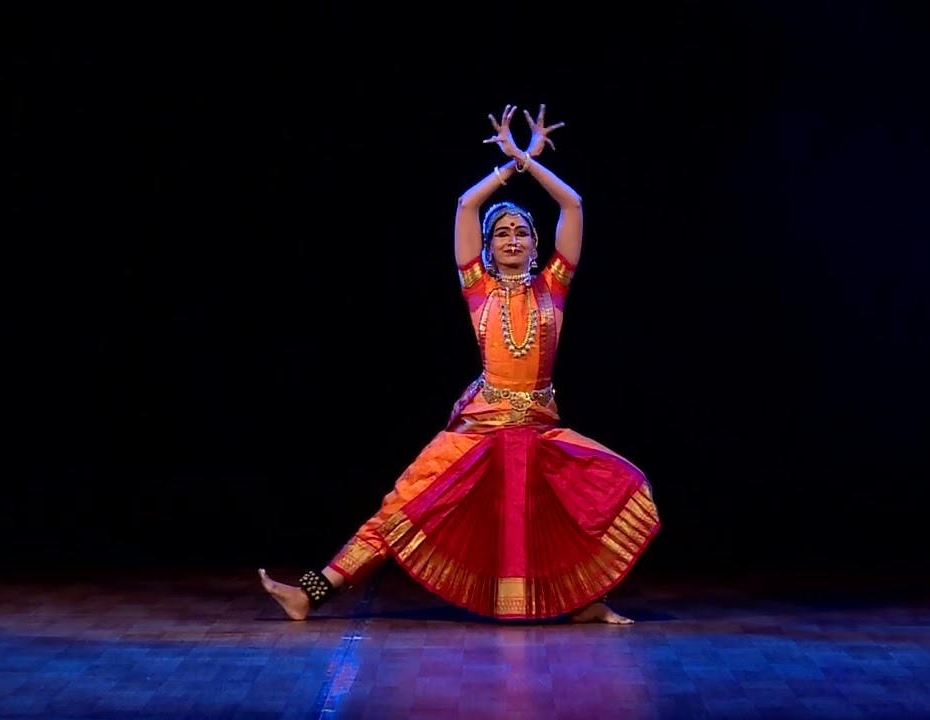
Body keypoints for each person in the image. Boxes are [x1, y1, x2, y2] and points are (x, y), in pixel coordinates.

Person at [259, 104, 660, 624]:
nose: (512, 238)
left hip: (537, 429)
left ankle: (583, 603)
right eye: (503, 234)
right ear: (490, 249)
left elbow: (575, 204)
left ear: (536, 245)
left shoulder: (553, 287)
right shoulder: (479, 289)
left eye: (522, 232)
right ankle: (310, 593)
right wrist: (505, 167)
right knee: (401, 506)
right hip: (479, 428)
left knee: (573, 507)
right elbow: (467, 207)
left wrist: (528, 161)